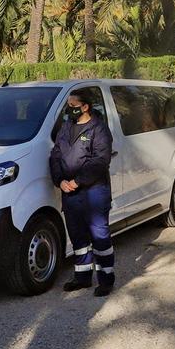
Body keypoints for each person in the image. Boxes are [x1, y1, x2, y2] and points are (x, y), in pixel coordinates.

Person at [49, 88, 116, 297]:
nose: (69, 111)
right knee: (77, 236)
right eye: (68, 107)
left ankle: (105, 279)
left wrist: (77, 181)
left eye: (73, 107)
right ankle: (82, 277)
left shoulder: (99, 129)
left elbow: (100, 161)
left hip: (94, 191)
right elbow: (55, 155)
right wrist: (60, 181)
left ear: (85, 107)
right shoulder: (66, 127)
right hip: (70, 192)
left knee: (99, 235)